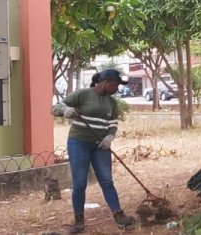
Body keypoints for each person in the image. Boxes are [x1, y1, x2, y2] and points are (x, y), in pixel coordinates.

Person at [52, 69, 137, 233]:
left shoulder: (112, 103)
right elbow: (56, 106)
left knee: (107, 181)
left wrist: (110, 137)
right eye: (116, 84)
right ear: (106, 82)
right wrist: (65, 111)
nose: (117, 88)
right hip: (79, 143)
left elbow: (113, 123)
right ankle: (79, 222)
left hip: (101, 146)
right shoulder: (83, 95)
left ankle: (119, 217)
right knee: (80, 183)